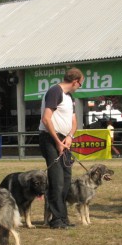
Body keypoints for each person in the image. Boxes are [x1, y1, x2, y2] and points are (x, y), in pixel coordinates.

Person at [39, 67, 84, 229]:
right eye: (80, 84)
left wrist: (70, 136)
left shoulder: (69, 97)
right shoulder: (54, 91)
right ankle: (56, 219)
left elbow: (74, 121)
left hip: (65, 140)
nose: (80, 86)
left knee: (66, 179)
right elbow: (46, 119)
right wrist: (57, 141)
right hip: (51, 139)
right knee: (56, 180)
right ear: (75, 81)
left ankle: (62, 217)